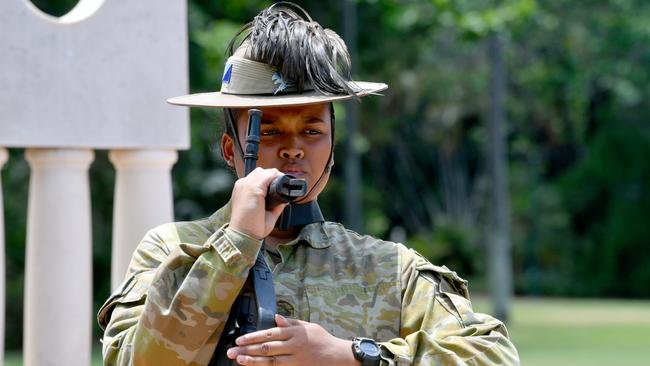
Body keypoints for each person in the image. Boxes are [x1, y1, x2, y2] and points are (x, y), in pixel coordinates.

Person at [98, 3, 519, 365]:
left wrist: (352, 355)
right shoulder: (172, 250)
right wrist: (235, 244)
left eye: (312, 130)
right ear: (230, 150)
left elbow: (492, 355)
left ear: (333, 147)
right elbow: (134, 359)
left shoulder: (388, 267)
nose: (294, 149)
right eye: (269, 131)